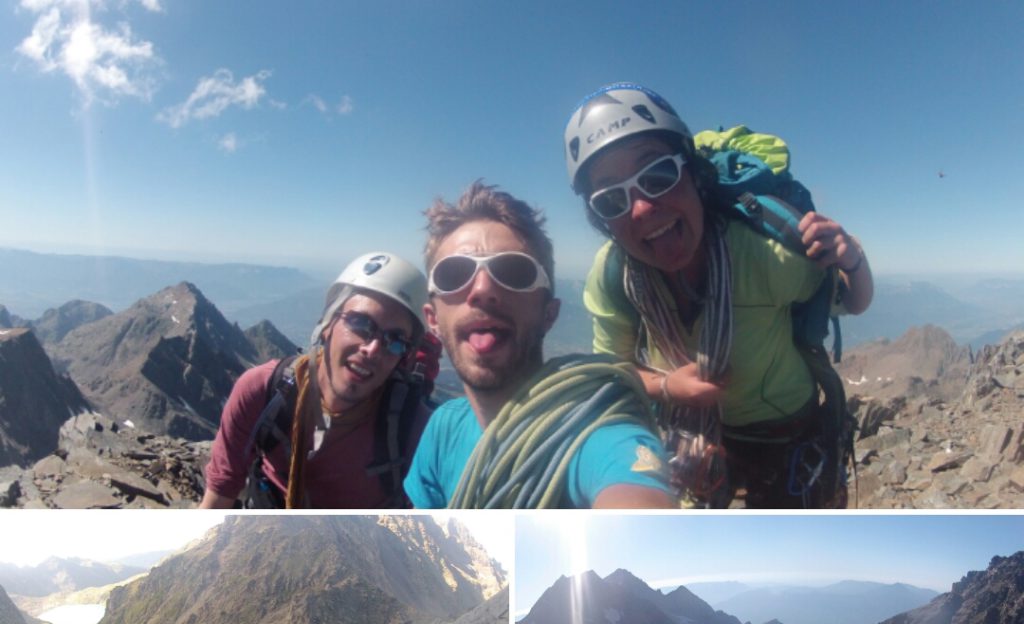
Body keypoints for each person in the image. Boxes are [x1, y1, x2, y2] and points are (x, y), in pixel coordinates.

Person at [564, 83, 874, 508]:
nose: (640, 208)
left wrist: (853, 260)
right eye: (610, 200)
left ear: (693, 173)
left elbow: (853, 301)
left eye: (658, 175)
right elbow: (613, 371)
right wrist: (669, 387)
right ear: (602, 222)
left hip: (786, 434)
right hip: (696, 440)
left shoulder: (765, 255)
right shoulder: (615, 274)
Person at [404, 181, 677, 509]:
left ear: (549, 314)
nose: (482, 289)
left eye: (514, 272)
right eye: (454, 275)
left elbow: (633, 492)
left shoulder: (596, 429)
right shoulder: (443, 428)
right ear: (432, 320)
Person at [200, 252, 434, 508]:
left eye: (396, 340)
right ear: (327, 324)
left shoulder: (414, 427)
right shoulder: (263, 391)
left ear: (404, 357)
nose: (373, 348)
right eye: (361, 324)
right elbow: (220, 496)